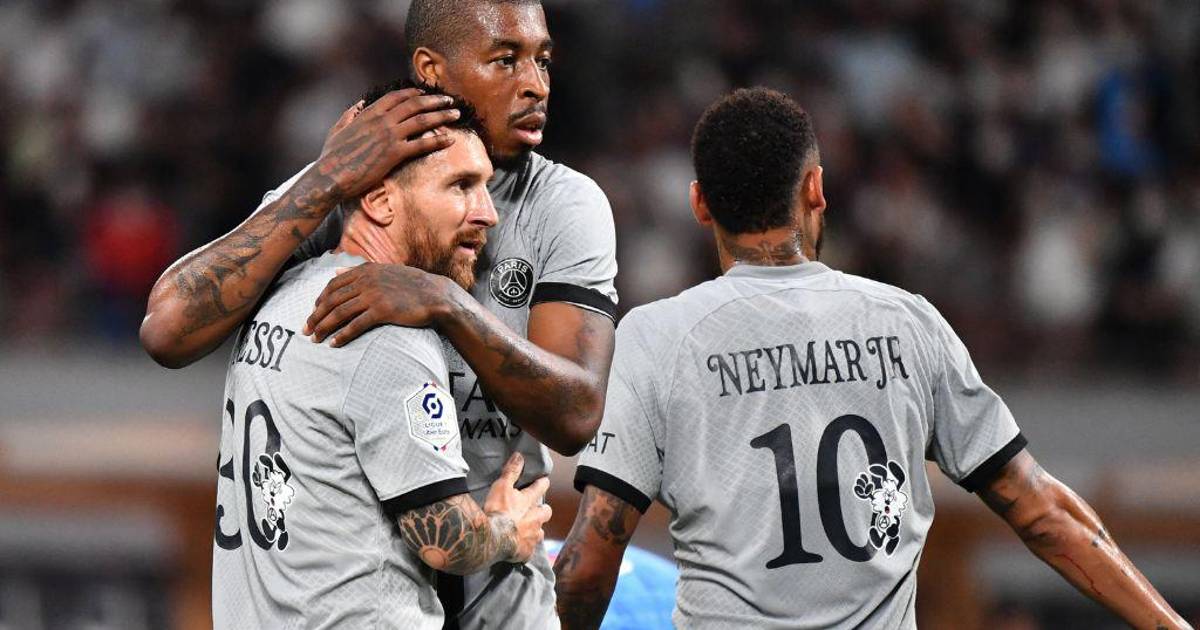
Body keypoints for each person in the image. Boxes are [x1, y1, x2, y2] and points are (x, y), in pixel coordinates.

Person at [553, 87, 1189, 630]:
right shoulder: (907, 322)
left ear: (699, 203)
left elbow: (588, 568)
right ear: (815, 188)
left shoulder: (657, 338)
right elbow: (1042, 512)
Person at [141, 1, 616, 626]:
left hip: (498, 598)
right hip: (368, 591)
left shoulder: (561, 204)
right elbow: (168, 330)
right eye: (505, 60)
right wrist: (326, 178)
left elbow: (576, 414)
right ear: (431, 70)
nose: (535, 84)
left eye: (543, 61)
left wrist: (447, 304)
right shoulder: (356, 185)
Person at [212, 87, 552, 629]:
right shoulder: (385, 329)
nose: (487, 213)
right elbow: (445, 540)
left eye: (486, 186)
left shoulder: (278, 294)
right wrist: (509, 531)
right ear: (379, 200)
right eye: (461, 186)